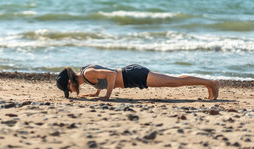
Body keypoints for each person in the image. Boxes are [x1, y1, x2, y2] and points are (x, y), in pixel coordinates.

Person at [56, 64, 220, 100]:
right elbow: (103, 79)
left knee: (174, 82)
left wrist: (107, 97)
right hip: (131, 78)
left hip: (133, 75)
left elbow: (112, 75)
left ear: (70, 82)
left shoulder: (87, 73)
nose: (70, 91)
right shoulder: (86, 76)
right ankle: (208, 84)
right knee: (173, 81)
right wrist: (97, 92)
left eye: (67, 88)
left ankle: (211, 83)